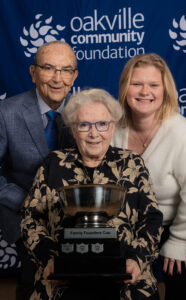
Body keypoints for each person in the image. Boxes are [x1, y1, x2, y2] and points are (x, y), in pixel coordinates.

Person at [20, 88, 163, 300]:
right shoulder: (54, 164)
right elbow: (30, 218)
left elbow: (152, 219)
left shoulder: (132, 164)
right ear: (73, 129)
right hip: (62, 276)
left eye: (102, 124)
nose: (94, 133)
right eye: (84, 125)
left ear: (112, 126)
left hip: (124, 275)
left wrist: (136, 260)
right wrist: (50, 260)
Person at [111, 53, 186, 300]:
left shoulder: (184, 134)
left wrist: (180, 240)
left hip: (178, 224)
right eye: (136, 83)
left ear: (165, 90)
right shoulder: (112, 128)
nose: (144, 92)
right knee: (121, 284)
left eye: (153, 85)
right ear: (125, 87)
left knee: (181, 282)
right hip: (129, 227)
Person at [0, 40, 78, 299]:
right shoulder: (6, 112)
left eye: (66, 70)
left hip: (74, 217)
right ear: (33, 73)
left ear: (74, 75)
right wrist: (23, 199)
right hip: (25, 216)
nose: (58, 78)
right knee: (34, 284)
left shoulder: (85, 112)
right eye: (48, 68)